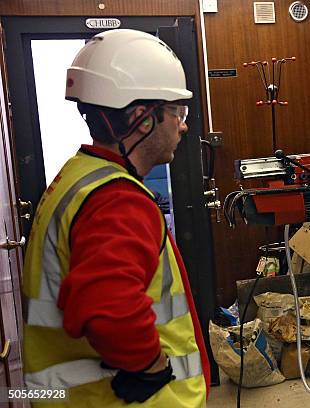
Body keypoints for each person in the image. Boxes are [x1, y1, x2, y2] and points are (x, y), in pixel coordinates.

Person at [23, 29, 210, 407]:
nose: (183, 125)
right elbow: (109, 308)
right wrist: (152, 366)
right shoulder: (117, 200)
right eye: (178, 112)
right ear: (143, 118)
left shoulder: (77, 177)